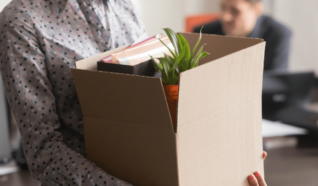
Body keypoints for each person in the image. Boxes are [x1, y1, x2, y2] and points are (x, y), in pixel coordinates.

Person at [0, 0, 267, 185]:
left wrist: (227, 157)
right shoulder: (21, 20)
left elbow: (152, 101)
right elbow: (43, 151)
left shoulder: (124, 4)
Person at [194, 0, 292, 72]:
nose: (225, 17)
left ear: (257, 10)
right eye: (222, 8)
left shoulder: (278, 35)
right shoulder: (203, 34)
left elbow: (276, 85)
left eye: (235, 11)